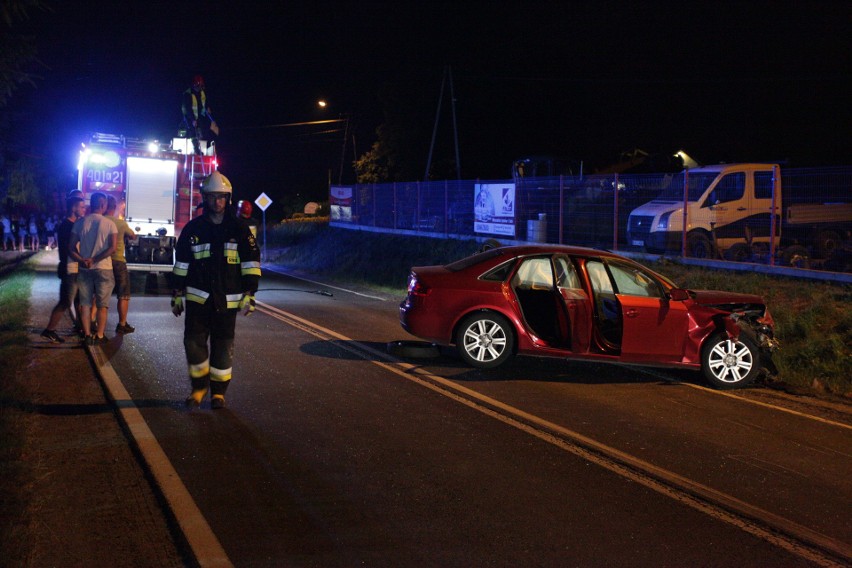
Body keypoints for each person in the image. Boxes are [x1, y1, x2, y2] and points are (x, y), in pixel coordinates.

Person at [171, 171, 260, 409]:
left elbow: (250, 261)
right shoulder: (193, 229)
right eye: (212, 197)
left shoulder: (240, 229)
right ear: (205, 198)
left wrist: (250, 294)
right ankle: (199, 387)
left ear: (228, 198)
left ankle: (218, 393)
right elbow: (181, 262)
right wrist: (177, 293)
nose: (217, 202)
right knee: (192, 343)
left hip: (227, 301)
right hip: (198, 299)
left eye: (221, 197)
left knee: (223, 346)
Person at [68, 192, 117, 345]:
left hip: (84, 268)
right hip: (104, 268)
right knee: (102, 305)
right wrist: (95, 259)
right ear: (103, 205)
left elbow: (70, 248)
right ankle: (100, 335)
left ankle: (87, 335)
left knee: (86, 303)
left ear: (91, 204)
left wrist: (82, 260)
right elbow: (112, 248)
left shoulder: (80, 223)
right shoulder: (110, 224)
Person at [41, 195, 87, 343]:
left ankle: (81, 328)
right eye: (81, 207)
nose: (84, 209)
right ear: (73, 208)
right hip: (70, 267)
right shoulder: (67, 226)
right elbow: (70, 248)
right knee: (66, 302)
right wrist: (82, 259)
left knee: (77, 300)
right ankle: (49, 330)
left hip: (75, 267)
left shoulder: (75, 224)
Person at [105, 195, 137, 334]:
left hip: (102, 261)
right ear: (114, 207)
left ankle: (93, 321)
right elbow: (132, 235)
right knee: (123, 293)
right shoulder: (120, 223)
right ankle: (122, 324)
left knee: (99, 293)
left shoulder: (100, 221)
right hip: (118, 260)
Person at [181, 75, 218, 155]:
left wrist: (207, 108)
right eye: (198, 86)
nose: (200, 88)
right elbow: (188, 108)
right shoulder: (188, 94)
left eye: (201, 86)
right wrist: (193, 119)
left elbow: (204, 102)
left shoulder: (201, 93)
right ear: (195, 85)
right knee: (192, 131)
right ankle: (196, 149)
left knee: (201, 130)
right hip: (189, 116)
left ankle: (200, 143)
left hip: (198, 115)